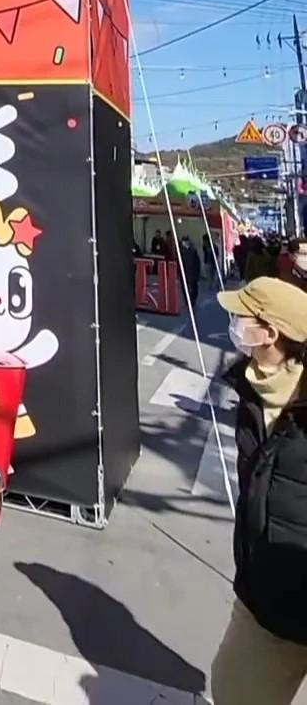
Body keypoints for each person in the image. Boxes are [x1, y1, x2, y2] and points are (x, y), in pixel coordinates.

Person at [210, 278, 307, 703]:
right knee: (233, 690)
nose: (233, 324)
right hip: (263, 597)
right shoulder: (250, 392)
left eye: (241, 316)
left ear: (270, 333)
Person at [178, 235, 201, 309]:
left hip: (192, 272)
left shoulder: (193, 250)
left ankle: (192, 300)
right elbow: (179, 262)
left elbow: (197, 262)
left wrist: (197, 272)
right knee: (185, 288)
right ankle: (188, 302)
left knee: (194, 288)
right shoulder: (181, 251)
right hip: (184, 272)